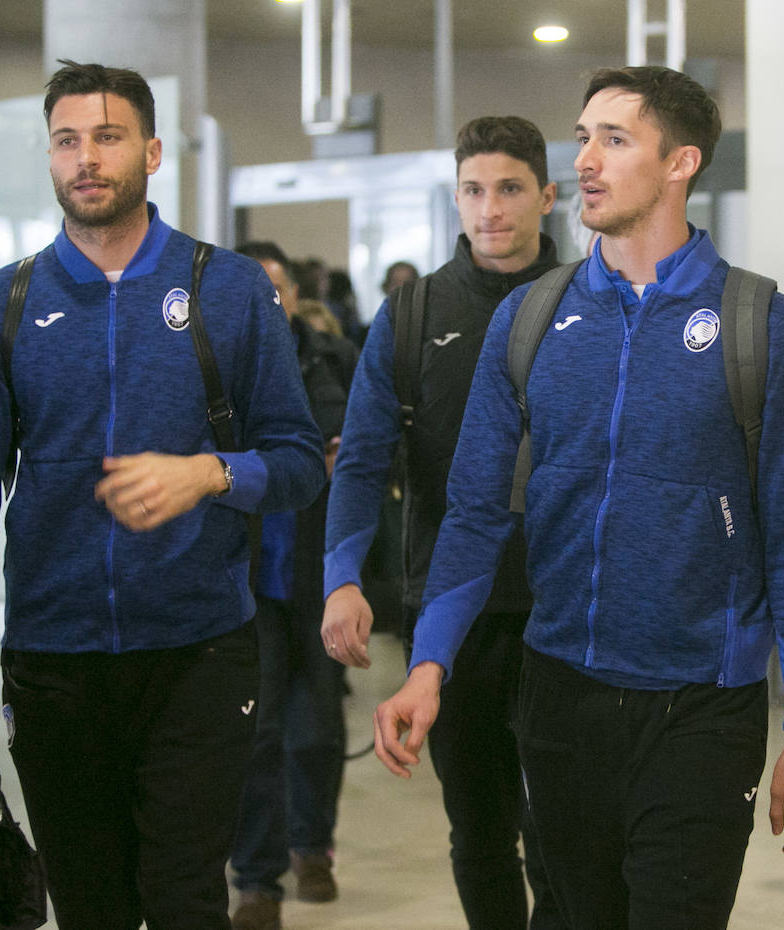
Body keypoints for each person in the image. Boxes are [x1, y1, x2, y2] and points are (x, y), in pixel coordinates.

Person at [369, 68, 784, 930]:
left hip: (700, 703)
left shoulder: (764, 327)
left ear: (680, 163)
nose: (584, 158)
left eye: (613, 139)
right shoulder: (530, 320)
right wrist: (429, 663)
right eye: (582, 136)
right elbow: (474, 512)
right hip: (558, 696)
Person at [0, 60, 325, 930]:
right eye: (67, 141)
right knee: (91, 904)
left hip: (200, 652)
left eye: (108, 136)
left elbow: (297, 460)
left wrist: (209, 472)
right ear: (50, 157)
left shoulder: (231, 291)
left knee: (182, 899)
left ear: (153, 150)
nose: (86, 158)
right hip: (56, 657)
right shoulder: (0, 307)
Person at [322, 114, 563, 929]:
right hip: (453, 615)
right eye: (472, 190)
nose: (490, 208)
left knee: (563, 828)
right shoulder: (414, 314)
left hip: (571, 610)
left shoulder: (593, 300)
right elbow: (360, 461)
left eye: (509, 188)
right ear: (454, 198)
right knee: (483, 829)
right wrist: (344, 577)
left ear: (547, 194)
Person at [229, 240, 356, 930]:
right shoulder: (216, 369)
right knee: (258, 729)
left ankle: (313, 847)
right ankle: (257, 880)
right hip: (245, 582)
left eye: (275, 289)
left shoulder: (331, 358)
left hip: (317, 570)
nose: (268, 303)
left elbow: (362, 451)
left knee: (315, 729)